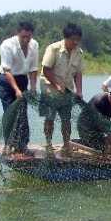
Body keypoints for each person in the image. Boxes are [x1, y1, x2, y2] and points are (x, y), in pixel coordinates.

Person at [39, 23, 84, 155]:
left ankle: (66, 144)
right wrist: (57, 85)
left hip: (67, 90)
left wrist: (79, 90)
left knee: (66, 119)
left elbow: (78, 73)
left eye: (78, 39)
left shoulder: (79, 52)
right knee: (49, 118)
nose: (75, 42)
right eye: (73, 39)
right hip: (49, 89)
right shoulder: (53, 49)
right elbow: (46, 70)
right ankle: (48, 143)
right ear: (66, 38)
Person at [0, 21, 39, 155]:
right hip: (6, 79)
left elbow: (33, 69)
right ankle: (8, 144)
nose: (26, 39)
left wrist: (32, 88)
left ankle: (22, 145)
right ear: (18, 34)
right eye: (23, 37)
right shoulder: (7, 45)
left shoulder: (34, 45)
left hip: (22, 78)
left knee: (22, 112)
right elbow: (7, 70)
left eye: (29, 36)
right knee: (10, 112)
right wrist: (16, 90)